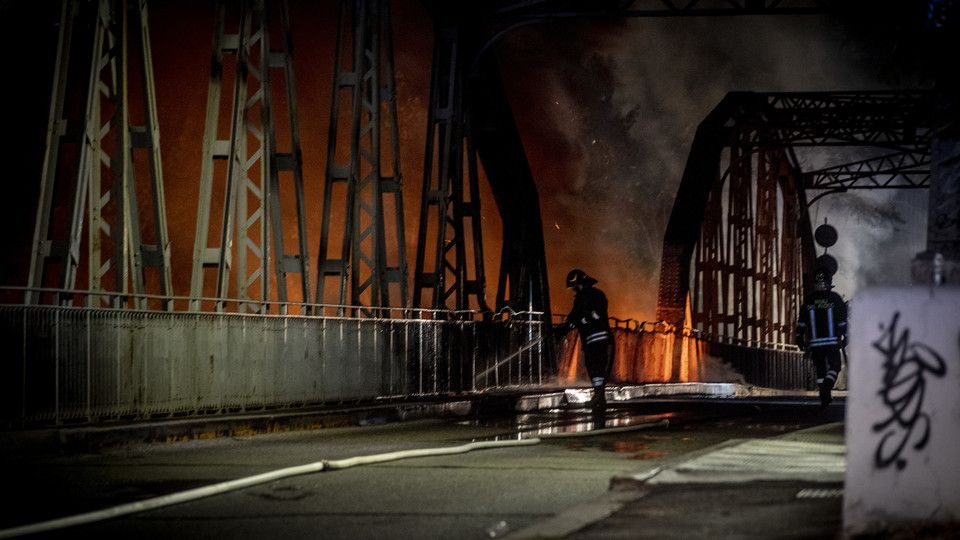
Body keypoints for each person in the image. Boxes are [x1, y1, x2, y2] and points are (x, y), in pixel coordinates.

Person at [795, 268, 848, 407]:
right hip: (831, 342)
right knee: (835, 366)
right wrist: (846, 337)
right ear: (829, 282)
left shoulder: (809, 300)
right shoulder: (835, 299)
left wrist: (799, 337)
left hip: (815, 344)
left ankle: (824, 395)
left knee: (820, 370)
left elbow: (801, 322)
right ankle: (826, 387)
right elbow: (842, 321)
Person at [564, 269, 613, 409]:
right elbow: (575, 316)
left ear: (579, 284)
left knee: (595, 368)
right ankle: (599, 398)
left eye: (574, 287)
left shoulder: (587, 297)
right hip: (598, 338)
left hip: (594, 338)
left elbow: (581, 315)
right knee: (597, 369)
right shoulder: (594, 295)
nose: (574, 290)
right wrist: (568, 325)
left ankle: (598, 397)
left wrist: (578, 321)